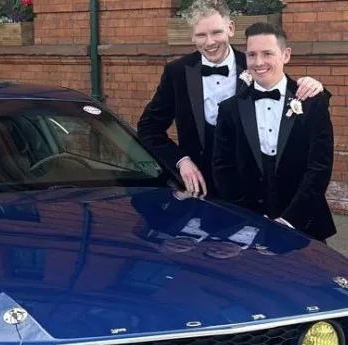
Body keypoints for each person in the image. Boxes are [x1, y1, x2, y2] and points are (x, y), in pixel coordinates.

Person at [136, 0, 326, 199]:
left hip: (249, 192)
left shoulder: (254, 64)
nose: (210, 42)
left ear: (230, 29)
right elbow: (149, 127)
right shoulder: (177, 72)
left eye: (216, 32)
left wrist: (314, 86)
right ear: (192, 36)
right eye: (201, 35)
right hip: (197, 188)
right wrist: (181, 161)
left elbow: (289, 95)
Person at [211, 22, 336, 242]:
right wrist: (244, 218)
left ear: (285, 55)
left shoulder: (312, 102)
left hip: (305, 223)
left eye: (267, 53)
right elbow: (223, 167)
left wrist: (290, 220)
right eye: (252, 55)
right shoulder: (230, 109)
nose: (258, 62)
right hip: (246, 225)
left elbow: (319, 167)